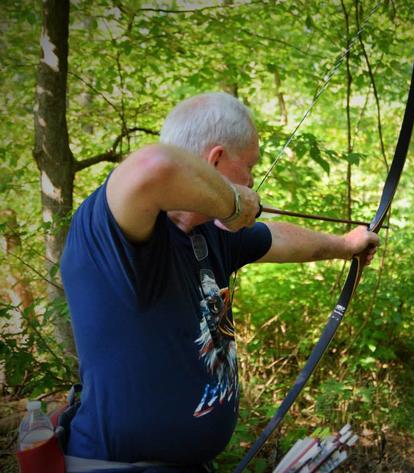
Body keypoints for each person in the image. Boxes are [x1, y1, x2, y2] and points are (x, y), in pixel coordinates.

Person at [60, 92, 379, 471]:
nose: (252, 181)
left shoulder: (209, 234)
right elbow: (153, 163)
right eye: (248, 167)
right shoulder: (119, 230)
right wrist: (232, 201)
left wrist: (346, 245)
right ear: (215, 161)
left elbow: (276, 236)